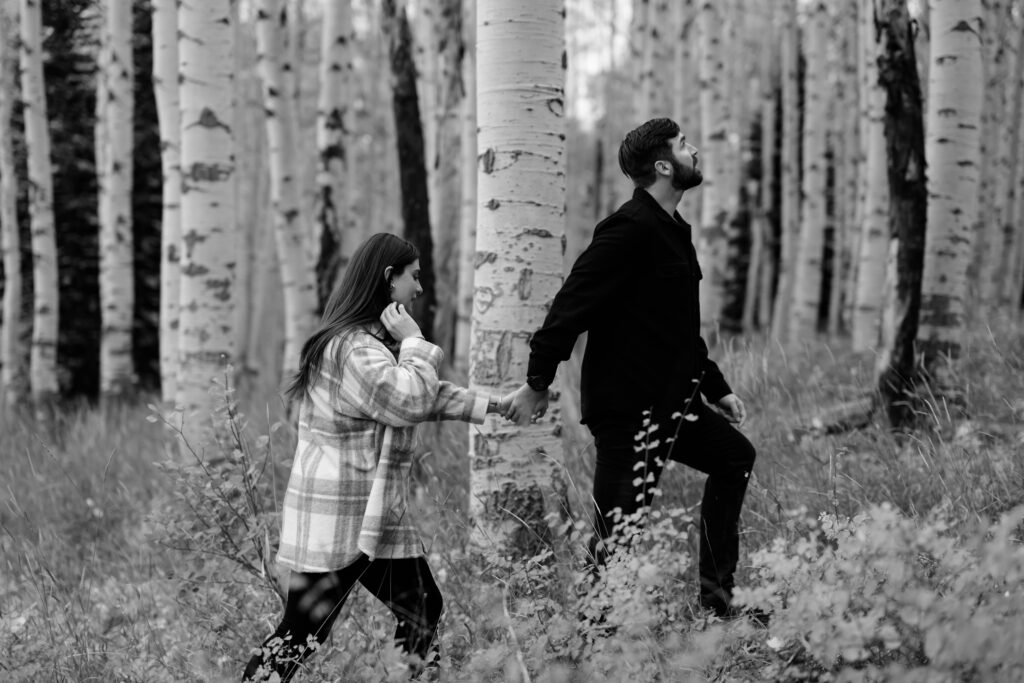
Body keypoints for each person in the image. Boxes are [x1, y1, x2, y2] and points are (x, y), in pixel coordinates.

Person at [505, 118, 757, 618]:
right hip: (628, 412)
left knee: (734, 457)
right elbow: (569, 307)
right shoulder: (628, 229)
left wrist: (716, 388)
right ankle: (594, 638)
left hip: (674, 402)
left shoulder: (674, 231)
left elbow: (678, 331)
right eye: (686, 145)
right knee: (619, 532)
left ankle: (719, 604)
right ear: (664, 166)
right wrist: (538, 381)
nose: (695, 150)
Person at [244, 233, 511, 681]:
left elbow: (420, 393)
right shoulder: (353, 348)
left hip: (364, 514)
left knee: (421, 607)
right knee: (304, 629)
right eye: (414, 277)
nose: (420, 289)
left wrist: (497, 406)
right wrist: (415, 340)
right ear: (389, 279)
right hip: (341, 518)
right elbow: (406, 399)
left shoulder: (362, 345)